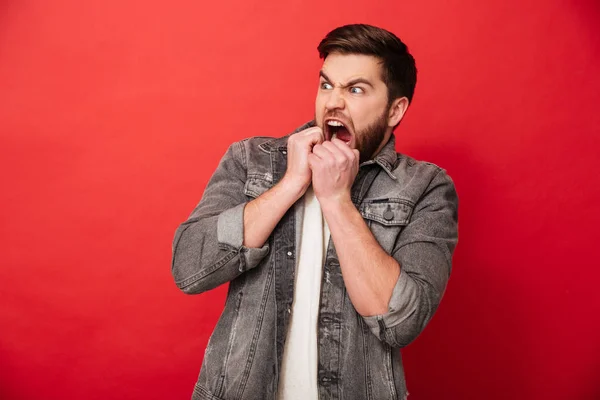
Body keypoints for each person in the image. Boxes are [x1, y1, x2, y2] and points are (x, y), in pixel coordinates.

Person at [171, 23, 459, 400]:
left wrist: (337, 200)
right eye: (327, 85)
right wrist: (290, 184)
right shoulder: (250, 160)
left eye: (355, 89)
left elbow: (400, 321)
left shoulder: (425, 187)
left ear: (395, 110)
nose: (333, 102)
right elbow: (189, 268)